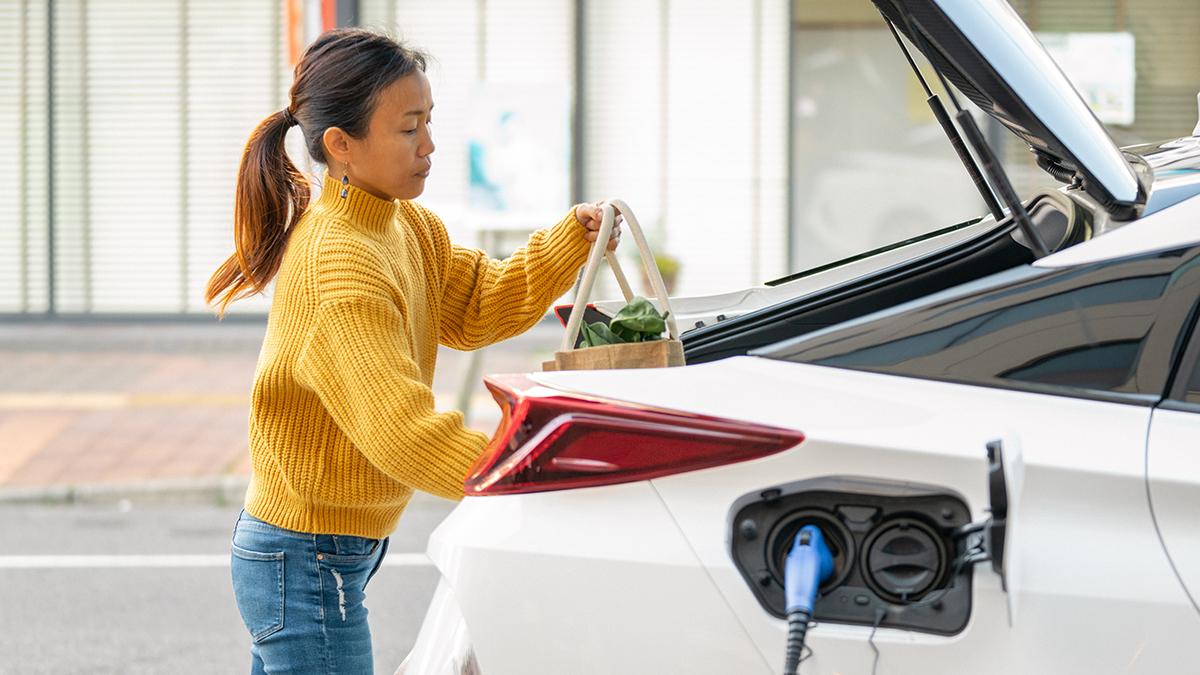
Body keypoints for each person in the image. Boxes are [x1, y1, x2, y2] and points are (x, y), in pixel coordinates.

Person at [206, 28, 620, 674]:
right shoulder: (340, 260)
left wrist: (571, 240)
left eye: (429, 122)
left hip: (320, 550)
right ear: (342, 146)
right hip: (305, 554)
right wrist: (529, 472)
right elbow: (401, 431)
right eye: (408, 129)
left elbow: (481, 303)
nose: (429, 146)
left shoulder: (402, 223)